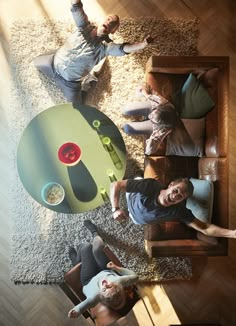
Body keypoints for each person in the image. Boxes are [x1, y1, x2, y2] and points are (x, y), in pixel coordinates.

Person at [34, 0, 153, 103]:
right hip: (52, 64)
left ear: (113, 31)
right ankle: (58, 53)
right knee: (36, 61)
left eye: (112, 24)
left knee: (79, 105)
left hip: (70, 83)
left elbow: (123, 49)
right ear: (102, 20)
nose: (109, 22)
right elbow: (76, 8)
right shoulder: (84, 27)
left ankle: (88, 83)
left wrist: (142, 45)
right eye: (108, 19)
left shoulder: (105, 48)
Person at [110, 177, 236, 240]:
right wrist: (115, 209)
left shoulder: (179, 210)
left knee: (135, 219)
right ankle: (136, 180)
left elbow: (205, 228)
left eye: (180, 197)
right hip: (131, 198)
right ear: (170, 185)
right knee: (132, 183)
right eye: (175, 190)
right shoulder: (149, 185)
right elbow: (116, 184)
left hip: (137, 220)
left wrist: (232, 234)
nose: (175, 196)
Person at [67, 220, 139, 319]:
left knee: (86, 247)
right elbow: (135, 277)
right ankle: (94, 232)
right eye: (110, 286)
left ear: (101, 294)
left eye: (104, 289)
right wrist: (116, 268)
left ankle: (76, 261)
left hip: (89, 279)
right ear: (117, 286)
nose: (105, 284)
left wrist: (75, 311)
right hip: (105, 270)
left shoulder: (94, 297)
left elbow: (82, 307)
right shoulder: (119, 281)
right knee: (96, 250)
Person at [122, 83, 178, 155]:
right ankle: (151, 115)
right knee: (126, 109)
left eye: (153, 118)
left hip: (154, 125)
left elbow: (149, 151)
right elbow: (146, 90)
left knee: (127, 128)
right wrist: (144, 92)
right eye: (153, 115)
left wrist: (150, 142)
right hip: (154, 108)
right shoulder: (162, 103)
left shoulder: (163, 129)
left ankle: (147, 121)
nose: (150, 116)